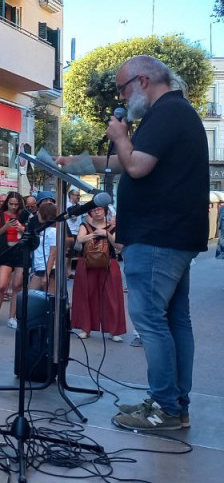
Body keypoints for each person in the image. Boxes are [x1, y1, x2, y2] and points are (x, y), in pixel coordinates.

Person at [59, 55, 208, 432]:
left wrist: (121, 136)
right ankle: (173, 403)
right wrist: (70, 163)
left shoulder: (167, 112)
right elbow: (128, 163)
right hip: (171, 235)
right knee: (174, 321)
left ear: (142, 81)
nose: (121, 98)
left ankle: (166, 408)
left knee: (152, 323)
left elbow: (136, 166)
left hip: (157, 236)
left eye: (123, 89)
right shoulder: (174, 113)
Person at [70, 206, 126, 341]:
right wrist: (95, 234)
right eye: (94, 209)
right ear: (90, 212)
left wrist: (106, 234)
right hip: (87, 263)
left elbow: (120, 246)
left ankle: (114, 331)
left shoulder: (112, 228)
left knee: (112, 296)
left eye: (100, 209)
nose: (97, 211)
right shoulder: (84, 225)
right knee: (85, 295)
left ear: (105, 211)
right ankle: (85, 328)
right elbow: (80, 239)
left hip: (109, 263)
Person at [0, 192, 28, 330]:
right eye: (11, 204)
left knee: (17, 285)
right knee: (0, 285)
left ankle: (12, 317)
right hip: (5, 252)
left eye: (16, 204)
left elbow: (29, 233)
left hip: (20, 252)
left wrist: (22, 229)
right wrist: (6, 226)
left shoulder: (23, 215)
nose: (13, 207)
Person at [28, 201, 58, 294]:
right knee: (30, 296)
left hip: (48, 270)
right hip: (39, 269)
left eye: (39, 212)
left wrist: (47, 275)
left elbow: (53, 253)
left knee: (50, 300)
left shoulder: (53, 231)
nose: (37, 213)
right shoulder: (43, 230)